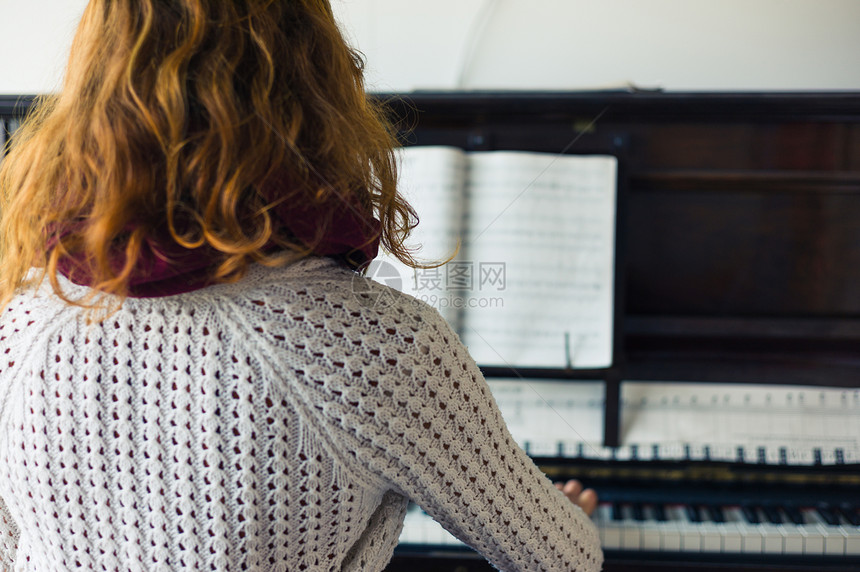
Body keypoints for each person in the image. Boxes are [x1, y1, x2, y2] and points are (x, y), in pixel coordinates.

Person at [0, 1, 601, 570]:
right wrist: (567, 520)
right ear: (318, 87)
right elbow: (562, 560)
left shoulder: (16, 326)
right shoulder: (383, 346)